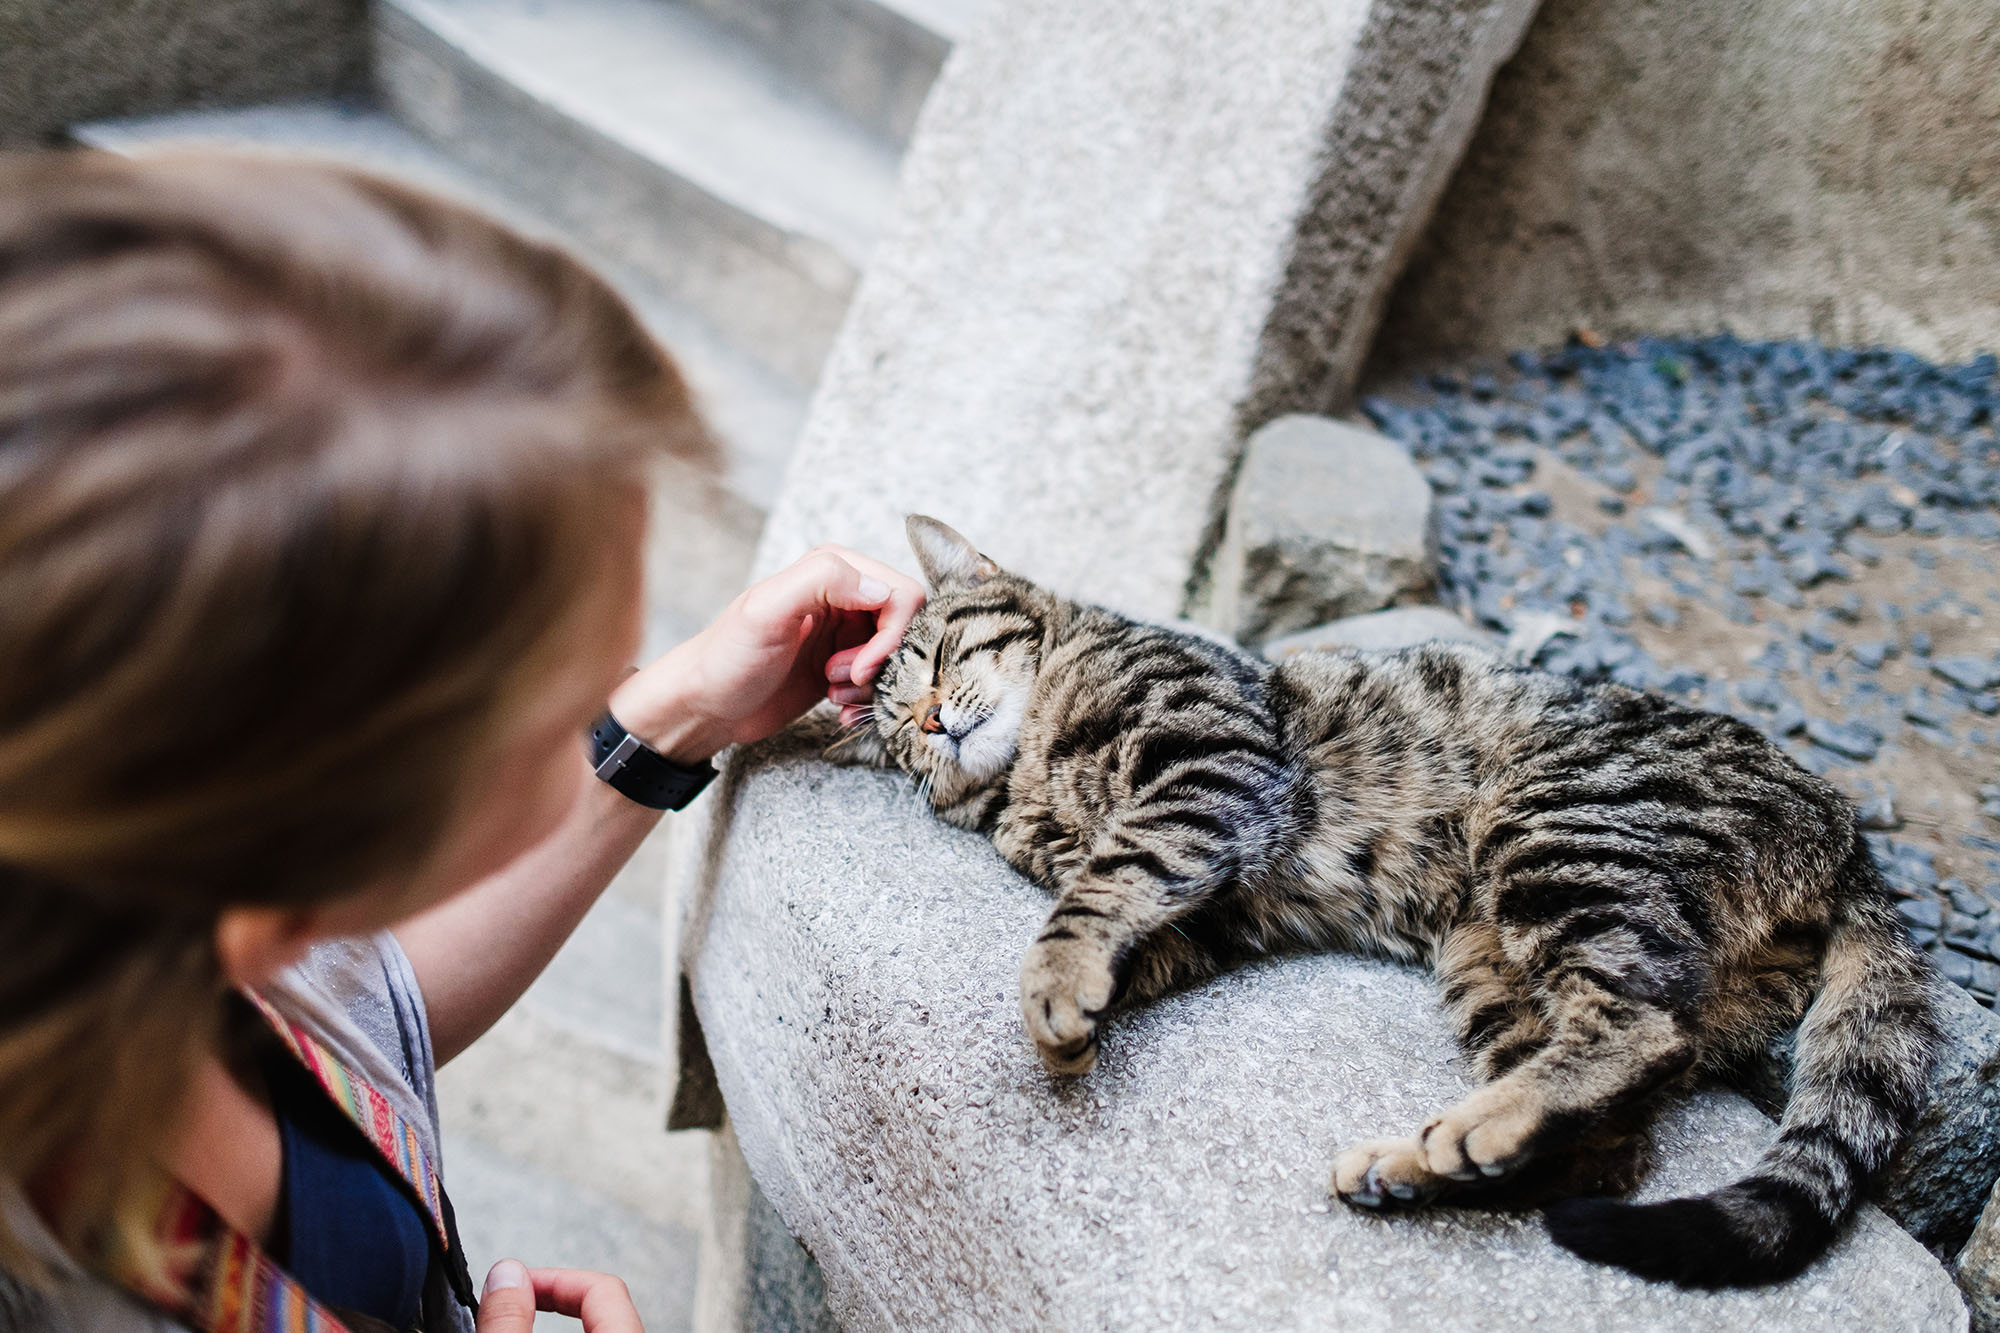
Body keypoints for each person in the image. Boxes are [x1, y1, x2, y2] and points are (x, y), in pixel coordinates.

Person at [0, 148, 923, 1332]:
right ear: (299, 837)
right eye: (554, 714)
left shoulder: (117, 895)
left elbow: (348, 1015)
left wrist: (677, 717)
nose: (607, 701)